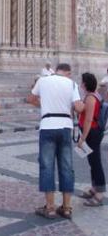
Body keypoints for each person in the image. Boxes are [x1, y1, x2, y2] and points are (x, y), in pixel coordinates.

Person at [27, 63, 84, 219]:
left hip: (47, 125)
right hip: (65, 126)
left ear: (56, 70)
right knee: (66, 166)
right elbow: (79, 107)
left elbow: (30, 98)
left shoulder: (43, 80)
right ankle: (66, 208)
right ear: (68, 72)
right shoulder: (71, 83)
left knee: (47, 166)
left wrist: (44, 104)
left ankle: (50, 207)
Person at [78, 72, 106, 206]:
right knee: (92, 161)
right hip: (94, 132)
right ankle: (95, 188)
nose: (80, 83)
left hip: (92, 132)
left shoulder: (90, 98)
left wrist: (82, 138)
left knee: (95, 162)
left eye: (82, 81)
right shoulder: (94, 95)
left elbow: (89, 120)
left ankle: (100, 194)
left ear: (85, 83)